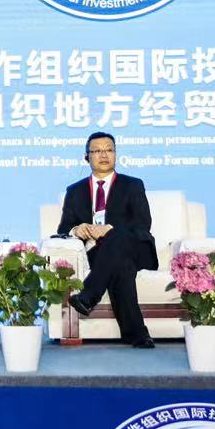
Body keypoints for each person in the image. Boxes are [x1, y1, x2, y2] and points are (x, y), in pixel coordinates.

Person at [61, 131, 159, 349]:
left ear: (115, 154)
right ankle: (137, 334)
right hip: (99, 255)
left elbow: (142, 224)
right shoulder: (75, 191)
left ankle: (88, 295)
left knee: (116, 238)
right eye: (97, 151)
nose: (104, 155)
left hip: (136, 249)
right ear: (87, 157)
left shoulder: (132, 185)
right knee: (121, 266)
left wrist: (109, 230)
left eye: (109, 150)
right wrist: (77, 229)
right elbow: (63, 229)